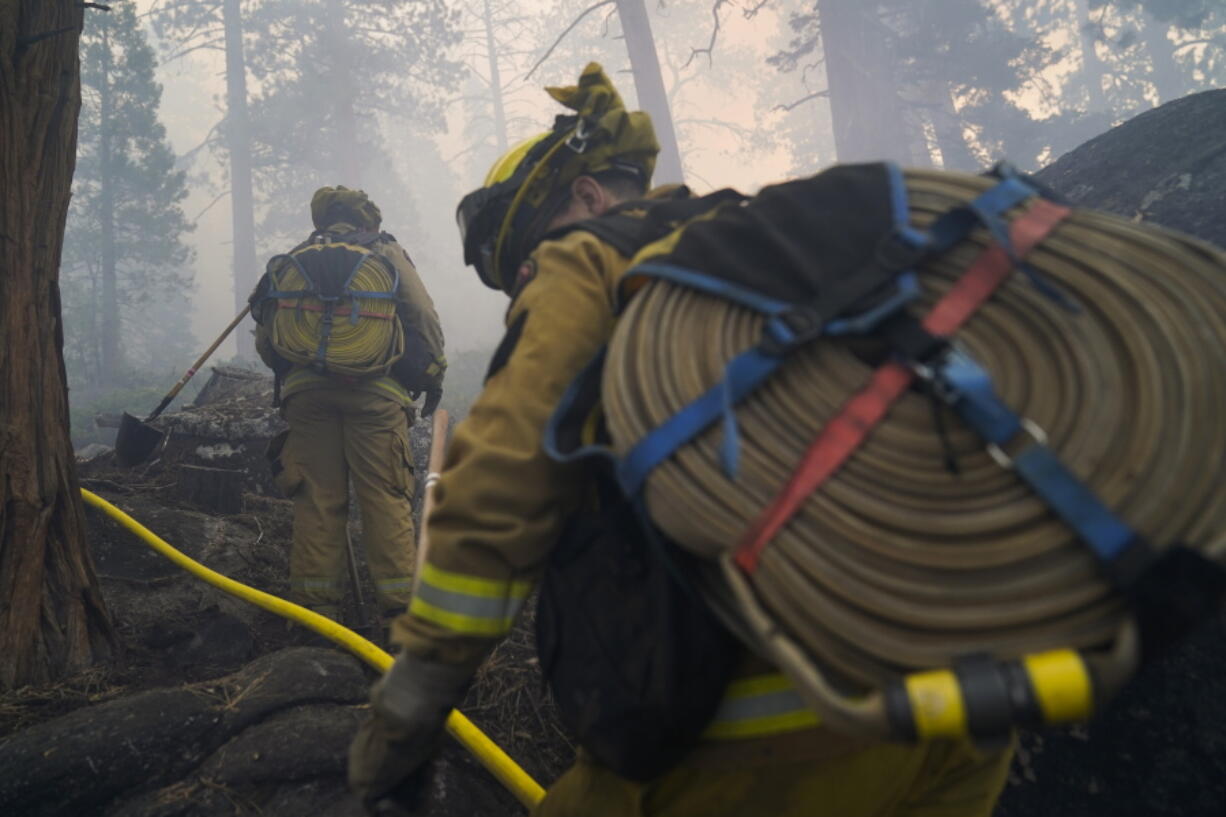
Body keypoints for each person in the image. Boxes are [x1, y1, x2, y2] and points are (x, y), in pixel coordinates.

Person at [347, 65, 1012, 816]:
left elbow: (498, 486)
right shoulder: (777, 245)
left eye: (524, 262)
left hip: (775, 730)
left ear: (589, 196)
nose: (524, 290)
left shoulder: (594, 259)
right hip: (970, 702)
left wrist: (407, 714)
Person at [251, 186, 445, 625]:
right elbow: (423, 316)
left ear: (322, 218)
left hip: (307, 397)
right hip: (377, 395)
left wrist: (297, 372)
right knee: (386, 497)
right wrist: (433, 374)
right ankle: (399, 614)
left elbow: (267, 329)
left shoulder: (297, 257)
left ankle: (316, 616)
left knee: (317, 499)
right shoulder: (386, 253)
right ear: (367, 219)